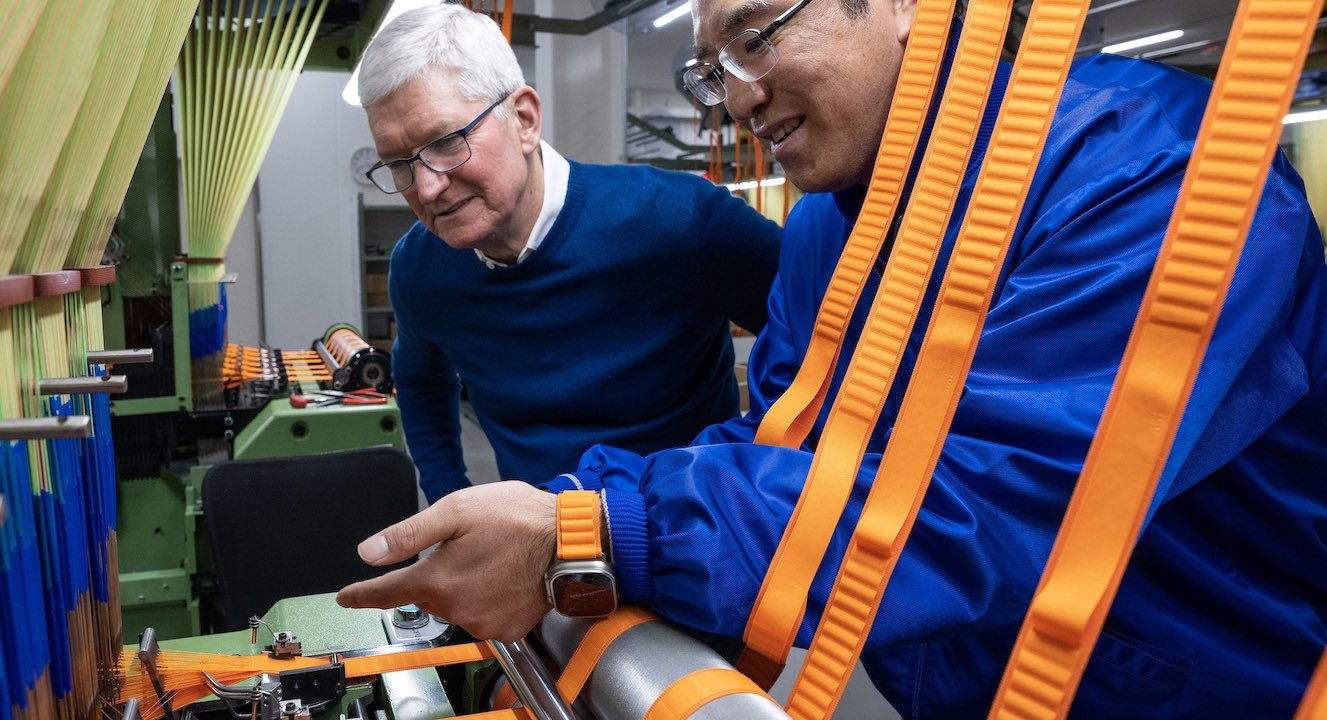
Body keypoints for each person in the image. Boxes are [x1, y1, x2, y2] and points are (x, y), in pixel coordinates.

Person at [340, 0, 1327, 715]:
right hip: (947, 675)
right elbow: (783, 439)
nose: (734, 99)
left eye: (757, 36)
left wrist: (601, 530)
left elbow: (993, 498)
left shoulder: (1146, 177)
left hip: (1198, 684)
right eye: (711, 68)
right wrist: (566, 511)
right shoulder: (830, 225)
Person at [360, 4, 783, 502]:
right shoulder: (420, 270)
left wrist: (757, 475)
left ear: (524, 120)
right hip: (543, 539)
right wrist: (450, 493)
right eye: (399, 164)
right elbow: (421, 384)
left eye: (447, 142)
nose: (427, 187)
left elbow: (826, 334)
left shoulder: (682, 221)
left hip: (699, 531)